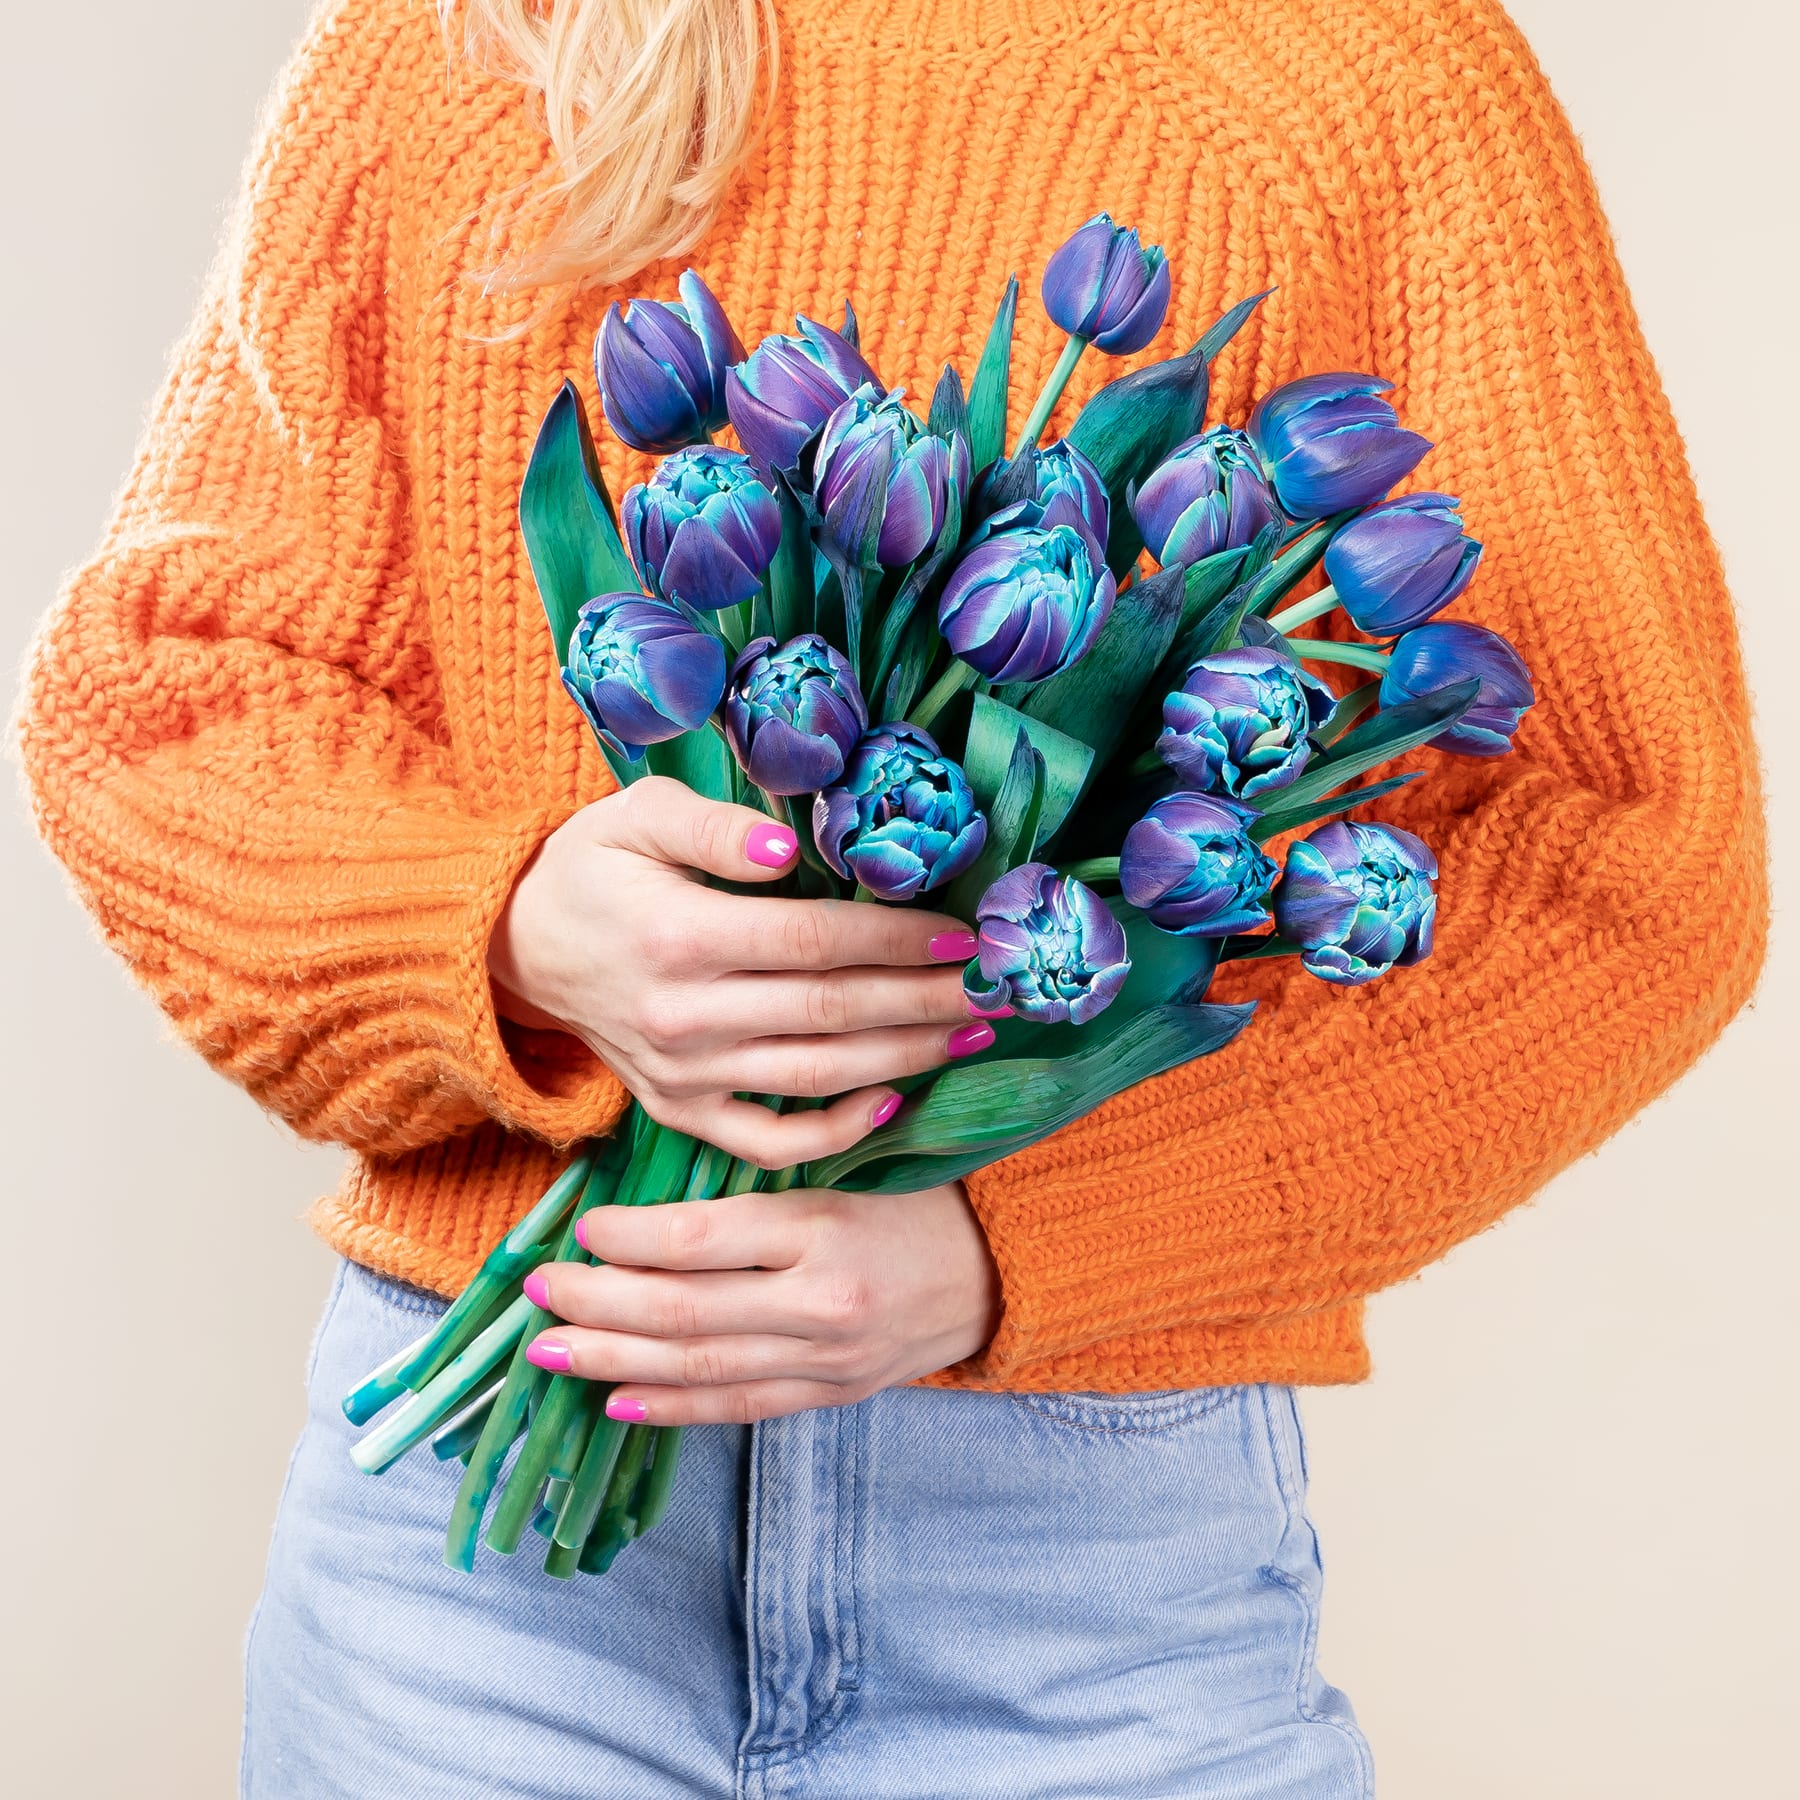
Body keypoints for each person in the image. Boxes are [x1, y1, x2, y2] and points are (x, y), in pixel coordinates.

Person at [17, 0, 1767, 1794]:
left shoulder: (1363, 70)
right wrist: (506, 935)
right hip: (488, 1568)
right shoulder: (468, 42)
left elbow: (1631, 847)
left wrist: (1038, 1242)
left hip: (1077, 1574)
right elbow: (168, 684)